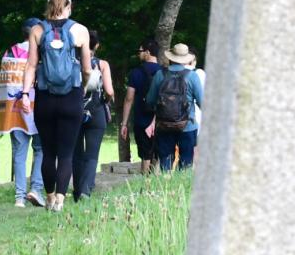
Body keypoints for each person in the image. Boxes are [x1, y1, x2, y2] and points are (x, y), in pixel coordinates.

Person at [19, 0, 92, 212]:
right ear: (69, 6)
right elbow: (87, 69)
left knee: (48, 152)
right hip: (72, 97)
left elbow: (31, 65)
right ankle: (60, 199)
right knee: (66, 153)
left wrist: (25, 94)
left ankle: (49, 196)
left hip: (45, 98)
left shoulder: (37, 30)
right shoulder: (80, 31)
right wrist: (83, 86)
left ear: (48, 4)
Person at [0, 18, 45, 208]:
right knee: (40, 149)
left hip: (14, 110)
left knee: (19, 153)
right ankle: (36, 189)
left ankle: (19, 197)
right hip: (37, 106)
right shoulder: (40, 53)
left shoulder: (9, 52)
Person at [145, 43, 203, 172]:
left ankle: (166, 183)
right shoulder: (192, 76)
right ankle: (183, 184)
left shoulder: (160, 75)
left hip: (164, 125)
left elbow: (150, 100)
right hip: (187, 126)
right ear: (186, 59)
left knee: (165, 163)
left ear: (171, 57)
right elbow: (202, 102)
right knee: (186, 164)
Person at [72, 30, 114, 201]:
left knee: (76, 153)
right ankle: (86, 190)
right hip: (96, 112)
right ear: (97, 45)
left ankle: (77, 191)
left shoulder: (73, 62)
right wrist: (106, 100)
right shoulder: (102, 64)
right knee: (92, 154)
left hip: (74, 111)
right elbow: (109, 91)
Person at [119, 38, 161, 174]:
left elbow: (129, 98)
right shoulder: (164, 72)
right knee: (158, 155)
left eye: (140, 51)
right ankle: (157, 182)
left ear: (148, 52)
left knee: (145, 156)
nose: (138, 54)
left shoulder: (136, 72)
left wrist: (124, 123)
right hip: (160, 120)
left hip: (142, 120)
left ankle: (144, 181)